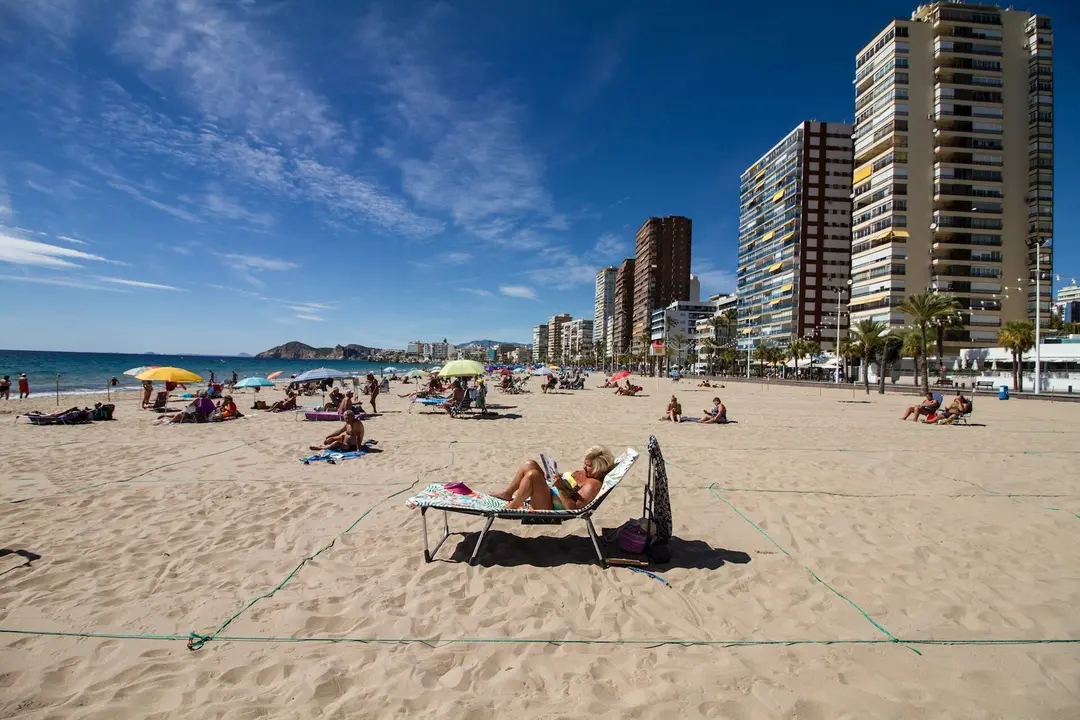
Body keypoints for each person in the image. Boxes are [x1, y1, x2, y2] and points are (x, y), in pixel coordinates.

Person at [493, 445, 616, 511]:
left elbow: (573, 509)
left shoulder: (592, 485)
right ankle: (507, 494)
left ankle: (512, 507)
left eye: (588, 466)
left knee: (533, 475)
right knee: (529, 464)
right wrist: (555, 475)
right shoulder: (586, 473)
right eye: (585, 463)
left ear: (599, 468)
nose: (584, 467)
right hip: (551, 491)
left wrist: (561, 488)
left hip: (550, 505)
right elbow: (569, 481)